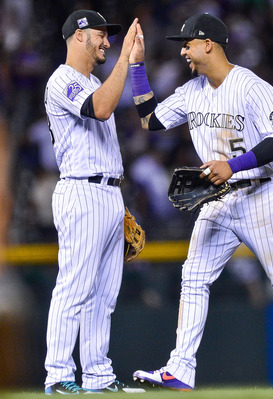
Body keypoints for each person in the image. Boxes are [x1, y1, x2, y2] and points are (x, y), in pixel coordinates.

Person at [127, 13, 273, 391]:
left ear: (208, 44)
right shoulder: (191, 91)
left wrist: (233, 166)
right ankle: (180, 368)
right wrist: (137, 65)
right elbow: (149, 120)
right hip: (218, 199)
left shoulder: (251, 86)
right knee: (193, 278)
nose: (183, 50)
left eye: (187, 43)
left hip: (261, 192)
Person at [43, 10, 145, 394]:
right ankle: (58, 375)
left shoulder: (97, 81)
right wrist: (125, 60)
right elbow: (99, 108)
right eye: (102, 35)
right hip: (80, 191)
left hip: (107, 192)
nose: (107, 41)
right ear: (79, 35)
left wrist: (117, 203)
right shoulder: (62, 80)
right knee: (75, 288)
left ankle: (98, 375)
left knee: (103, 296)